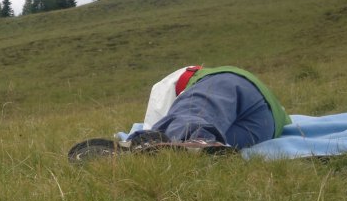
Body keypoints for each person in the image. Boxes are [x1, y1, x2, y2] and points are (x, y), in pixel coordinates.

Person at [68, 65, 289, 162]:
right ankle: (196, 148)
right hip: (265, 128)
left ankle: (190, 140)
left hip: (232, 84)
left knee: (191, 117)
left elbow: (161, 119)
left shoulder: (203, 80)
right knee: (215, 142)